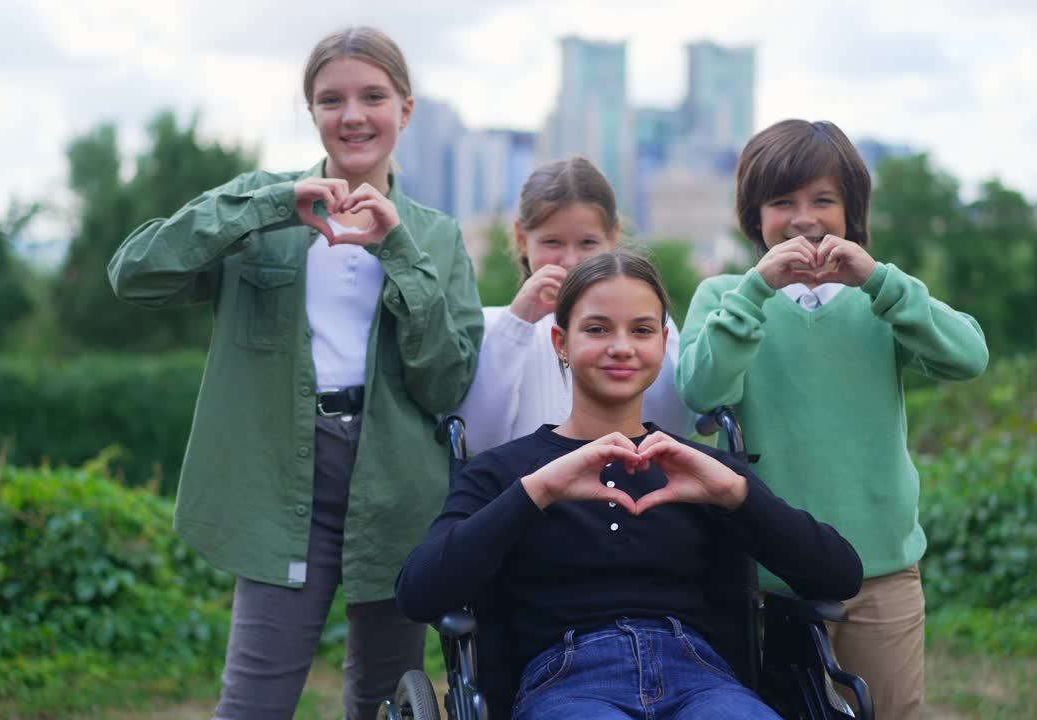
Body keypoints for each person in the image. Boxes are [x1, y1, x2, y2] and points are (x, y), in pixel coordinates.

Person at [107, 27, 484, 720]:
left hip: (396, 484)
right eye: (330, 99)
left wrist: (395, 247)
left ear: (406, 110)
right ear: (310, 111)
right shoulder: (263, 208)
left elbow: (446, 383)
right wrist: (272, 205)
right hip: (280, 473)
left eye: (373, 96)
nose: (352, 115)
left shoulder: (435, 235)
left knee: (385, 699)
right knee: (254, 698)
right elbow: (133, 275)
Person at [397, 250, 862, 720]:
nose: (622, 346)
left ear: (663, 343)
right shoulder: (505, 473)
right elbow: (419, 593)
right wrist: (536, 493)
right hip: (566, 682)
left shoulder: (701, 470)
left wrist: (738, 495)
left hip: (703, 679)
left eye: (641, 330)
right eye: (597, 329)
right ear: (561, 341)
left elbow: (840, 577)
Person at [676, 119, 990, 720]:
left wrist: (878, 280)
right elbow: (701, 394)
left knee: (890, 709)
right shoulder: (725, 295)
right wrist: (755, 292)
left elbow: (969, 356)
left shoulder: (882, 299)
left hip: (882, 567)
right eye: (782, 203)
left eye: (824, 200)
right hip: (764, 575)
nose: (804, 219)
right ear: (754, 214)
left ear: (852, 212)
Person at [455, 157, 695, 454]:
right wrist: (517, 322)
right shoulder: (495, 326)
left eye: (587, 243)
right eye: (552, 242)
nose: (570, 260)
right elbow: (477, 440)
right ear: (521, 238)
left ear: (613, 236)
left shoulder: (649, 323)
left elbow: (673, 425)